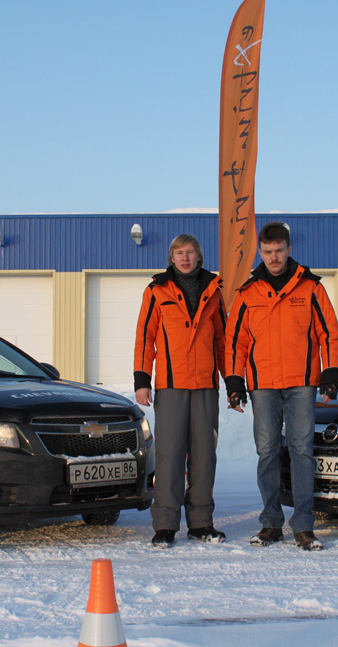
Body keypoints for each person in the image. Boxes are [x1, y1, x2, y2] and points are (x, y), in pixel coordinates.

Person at [225, 222, 338, 551]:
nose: (273, 257)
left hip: (302, 383)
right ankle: (271, 524)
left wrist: (331, 373)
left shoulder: (311, 288)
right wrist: (234, 381)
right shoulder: (248, 293)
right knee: (267, 453)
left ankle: (304, 526)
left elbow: (328, 333)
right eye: (267, 252)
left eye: (279, 251)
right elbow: (236, 342)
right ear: (260, 252)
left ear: (288, 249)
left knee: (302, 452)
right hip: (263, 386)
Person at [134, 233, 228, 548]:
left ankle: (201, 523)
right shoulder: (156, 290)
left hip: (205, 386)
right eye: (179, 253)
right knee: (170, 456)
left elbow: (222, 340)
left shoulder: (215, 290)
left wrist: (232, 381)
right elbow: (145, 336)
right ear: (171, 258)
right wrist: (142, 379)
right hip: (171, 386)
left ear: (199, 257)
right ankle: (165, 525)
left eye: (190, 252)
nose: (185, 258)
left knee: (203, 457)